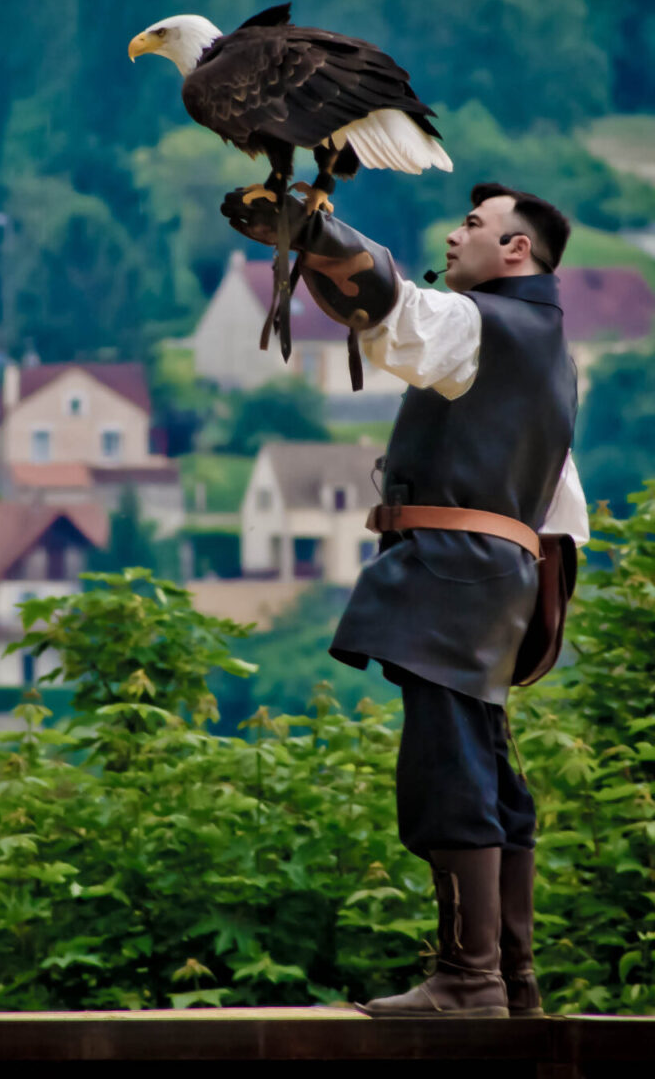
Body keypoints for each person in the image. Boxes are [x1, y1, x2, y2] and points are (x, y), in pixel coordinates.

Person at [220, 180, 588, 1019]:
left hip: (454, 574)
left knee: (447, 771)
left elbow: (395, 307)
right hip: (500, 582)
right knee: (489, 773)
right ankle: (513, 979)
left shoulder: (487, 324)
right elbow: (564, 512)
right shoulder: (552, 354)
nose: (455, 236)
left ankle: (469, 980)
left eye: (474, 225)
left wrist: (314, 230)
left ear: (517, 251)